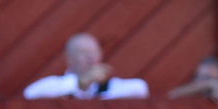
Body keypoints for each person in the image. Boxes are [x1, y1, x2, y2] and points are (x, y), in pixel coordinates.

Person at [21, 33, 149, 99]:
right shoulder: (58, 86)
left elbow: (140, 88)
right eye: (84, 53)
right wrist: (80, 83)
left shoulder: (110, 87)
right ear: (69, 59)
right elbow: (30, 94)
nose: (91, 58)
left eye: (95, 53)